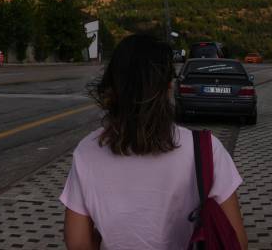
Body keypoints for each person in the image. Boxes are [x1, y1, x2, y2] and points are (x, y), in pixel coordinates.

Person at [60, 33, 248, 250]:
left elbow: (78, 243)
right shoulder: (206, 150)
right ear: (168, 87)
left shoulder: (87, 152)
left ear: (112, 88)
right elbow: (236, 242)